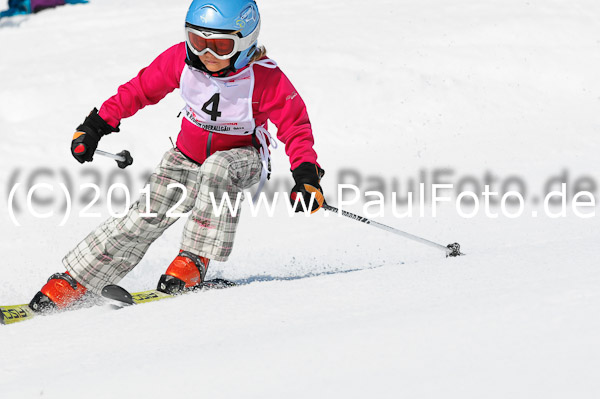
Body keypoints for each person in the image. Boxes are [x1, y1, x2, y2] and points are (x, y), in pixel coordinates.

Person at [29, 0, 325, 312]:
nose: (207, 55)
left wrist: (306, 177)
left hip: (242, 160)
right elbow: (138, 90)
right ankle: (78, 279)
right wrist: (95, 126)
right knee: (142, 217)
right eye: (198, 42)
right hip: (185, 157)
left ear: (245, 41)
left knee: (217, 167)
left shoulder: (266, 78)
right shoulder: (180, 61)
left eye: (220, 46)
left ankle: (193, 261)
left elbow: (296, 127)